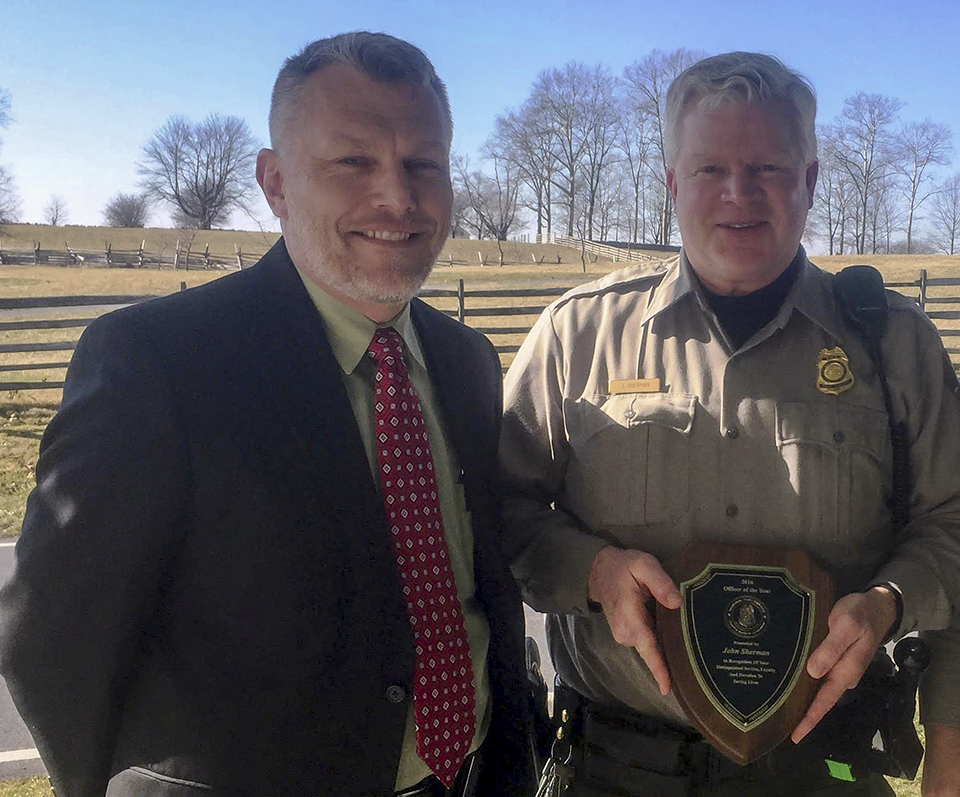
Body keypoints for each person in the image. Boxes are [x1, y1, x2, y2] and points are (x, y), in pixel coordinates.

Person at [0, 32, 532, 797]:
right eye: (353, 162)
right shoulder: (158, 363)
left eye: (425, 164)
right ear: (276, 183)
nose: (399, 195)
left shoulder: (467, 362)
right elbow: (52, 638)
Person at [500, 52, 960, 796]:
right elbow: (499, 512)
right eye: (710, 168)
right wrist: (594, 571)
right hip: (617, 767)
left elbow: (952, 523)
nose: (739, 193)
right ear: (674, 183)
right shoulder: (575, 336)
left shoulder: (893, 346)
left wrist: (891, 602)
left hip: (827, 768)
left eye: (769, 168)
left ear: (809, 181)